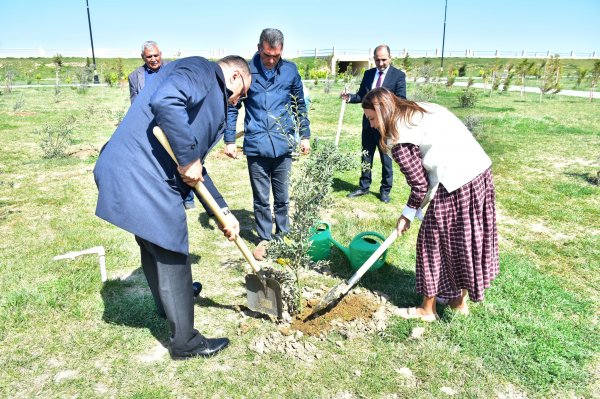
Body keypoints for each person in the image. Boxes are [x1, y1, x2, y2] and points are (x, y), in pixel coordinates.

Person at [94, 55, 251, 359]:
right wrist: (189, 157)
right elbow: (167, 101)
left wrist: (224, 213)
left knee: (153, 244)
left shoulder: (202, 87)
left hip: (132, 169)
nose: (238, 101)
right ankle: (186, 342)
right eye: (242, 93)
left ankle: (170, 304)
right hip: (141, 172)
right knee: (172, 250)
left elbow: (196, 168)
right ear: (234, 77)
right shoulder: (202, 70)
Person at [361, 88, 499, 322]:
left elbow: (419, 185)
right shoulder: (419, 109)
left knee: (430, 244)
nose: (372, 125)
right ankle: (457, 301)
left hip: (455, 182)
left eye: (373, 119)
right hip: (479, 175)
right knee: (462, 241)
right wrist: (417, 208)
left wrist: (407, 214)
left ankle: (427, 309)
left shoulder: (399, 136)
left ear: (383, 111)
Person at [224, 28, 310, 261]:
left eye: (276, 55)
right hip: (256, 145)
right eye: (267, 55)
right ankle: (265, 237)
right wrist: (230, 140)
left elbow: (299, 105)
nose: (271, 60)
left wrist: (304, 135)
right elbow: (233, 106)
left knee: (282, 196)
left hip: (283, 144)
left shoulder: (290, 71)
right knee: (261, 197)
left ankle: (283, 235)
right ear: (259, 48)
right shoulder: (246, 71)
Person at [128, 41, 196, 210]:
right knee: (157, 162)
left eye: (156, 55)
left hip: (172, 123)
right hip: (149, 126)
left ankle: (188, 197)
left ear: (161, 54)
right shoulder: (135, 76)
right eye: (149, 56)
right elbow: (134, 103)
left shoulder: (173, 69)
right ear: (143, 57)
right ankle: (166, 196)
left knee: (181, 158)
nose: (153, 59)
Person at [342, 45, 406, 203]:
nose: (381, 63)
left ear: (390, 58)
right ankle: (364, 186)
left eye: (384, 59)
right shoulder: (369, 74)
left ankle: (385, 190)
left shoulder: (398, 75)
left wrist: (385, 110)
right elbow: (362, 96)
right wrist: (350, 97)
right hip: (368, 124)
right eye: (377, 60)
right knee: (366, 155)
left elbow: (401, 100)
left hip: (386, 126)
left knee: (386, 159)